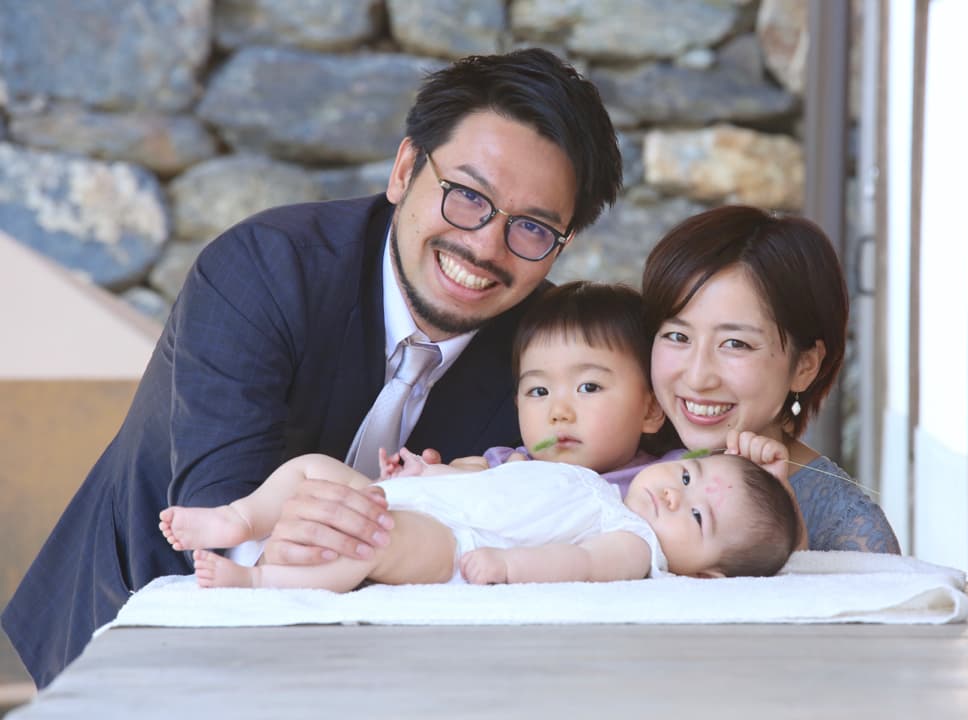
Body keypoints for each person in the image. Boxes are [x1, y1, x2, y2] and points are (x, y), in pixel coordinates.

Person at [3, 48, 623, 688]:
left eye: (532, 228)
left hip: (372, 669)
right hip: (137, 614)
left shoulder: (548, 347)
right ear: (406, 168)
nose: (486, 245)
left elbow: (618, 486)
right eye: (468, 196)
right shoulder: (262, 269)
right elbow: (227, 518)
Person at [159, 434, 800, 589]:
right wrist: (429, 472)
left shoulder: (635, 543)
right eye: (686, 475)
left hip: (452, 536)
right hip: (436, 496)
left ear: (706, 573)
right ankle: (239, 517)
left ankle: (257, 581)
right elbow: (502, 476)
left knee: (368, 540)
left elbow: (577, 563)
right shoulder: (599, 483)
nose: (671, 494)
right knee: (313, 467)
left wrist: (510, 566)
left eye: (693, 518)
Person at [641, 205, 901, 554]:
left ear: (805, 366)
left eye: (735, 344)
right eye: (677, 336)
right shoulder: (608, 449)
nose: (698, 376)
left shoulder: (848, 532)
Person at [469, 280, 666, 493]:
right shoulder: (500, 470)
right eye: (539, 391)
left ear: (651, 409)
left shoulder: (673, 481)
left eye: (589, 387)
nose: (559, 412)